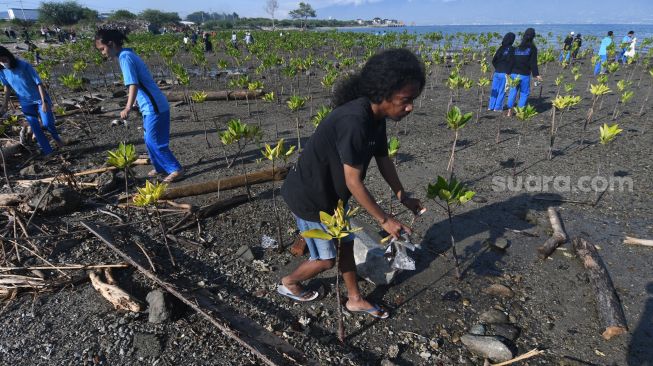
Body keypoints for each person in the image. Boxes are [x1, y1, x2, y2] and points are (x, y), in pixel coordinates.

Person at [278, 49, 426, 319]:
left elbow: (383, 160)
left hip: (332, 198)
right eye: (406, 100)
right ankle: (288, 283)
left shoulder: (377, 118)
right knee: (325, 260)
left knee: (346, 243)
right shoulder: (354, 121)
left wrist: (403, 196)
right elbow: (353, 181)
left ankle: (355, 299)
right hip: (310, 199)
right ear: (383, 92)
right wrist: (385, 220)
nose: (410, 107)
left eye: (413, 100)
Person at [95, 29, 183, 183]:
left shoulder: (125, 58)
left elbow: (133, 84)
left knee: (154, 140)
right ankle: (160, 167)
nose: (102, 53)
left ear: (111, 44)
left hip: (154, 106)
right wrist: (135, 102)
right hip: (151, 104)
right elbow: (139, 82)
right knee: (148, 139)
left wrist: (128, 107)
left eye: (102, 49)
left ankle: (175, 169)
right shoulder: (128, 54)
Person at [0, 46, 63, 155]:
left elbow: (38, 83)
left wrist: (43, 102)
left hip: (40, 99)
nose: (2, 62)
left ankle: (57, 138)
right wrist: (5, 103)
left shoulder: (23, 65)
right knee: (35, 127)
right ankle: (48, 151)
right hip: (25, 103)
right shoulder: (2, 71)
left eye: (3, 59)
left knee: (48, 123)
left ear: (8, 56)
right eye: (0, 61)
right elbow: (7, 87)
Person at [507, 28, 542, 115]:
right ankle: (519, 112)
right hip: (524, 74)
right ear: (533, 37)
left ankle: (509, 112)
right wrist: (536, 75)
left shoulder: (517, 48)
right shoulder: (533, 48)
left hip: (514, 74)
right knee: (524, 93)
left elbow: (512, 61)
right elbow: (533, 63)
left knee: (513, 91)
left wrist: (508, 72)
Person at [488, 32, 515, 112]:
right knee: (502, 91)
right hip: (505, 73)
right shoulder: (513, 49)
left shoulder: (501, 48)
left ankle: (491, 106)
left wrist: (498, 68)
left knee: (494, 90)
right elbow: (512, 62)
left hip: (497, 72)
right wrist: (509, 71)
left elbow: (493, 61)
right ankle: (498, 107)